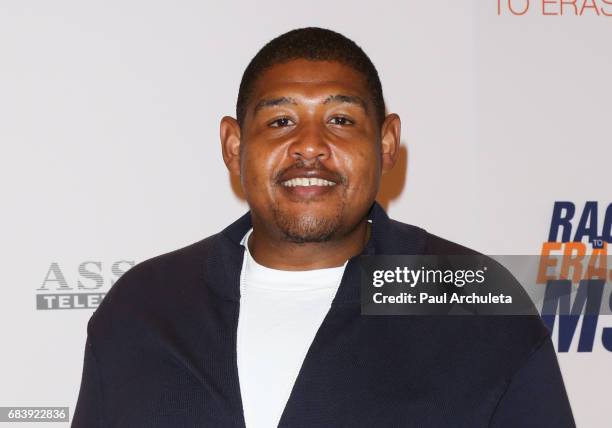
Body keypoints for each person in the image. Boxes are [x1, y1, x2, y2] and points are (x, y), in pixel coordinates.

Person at [72, 27, 575, 427]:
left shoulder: (474, 302)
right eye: (280, 122)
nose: (309, 146)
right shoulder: (145, 306)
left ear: (385, 143)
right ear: (232, 145)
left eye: (340, 120)